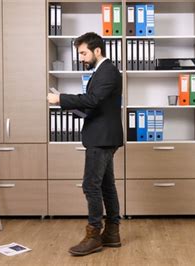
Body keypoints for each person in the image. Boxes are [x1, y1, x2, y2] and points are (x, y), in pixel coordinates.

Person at [47, 32, 123, 256]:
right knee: (106, 186)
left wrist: (61, 99)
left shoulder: (108, 71)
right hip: (103, 136)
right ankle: (112, 234)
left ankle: (94, 236)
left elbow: (93, 100)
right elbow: (95, 105)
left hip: (102, 138)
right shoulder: (100, 72)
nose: (81, 57)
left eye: (83, 53)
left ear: (97, 51)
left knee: (91, 185)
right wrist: (75, 107)